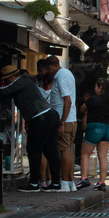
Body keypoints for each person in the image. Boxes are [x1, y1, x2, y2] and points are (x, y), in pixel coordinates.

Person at [0, 65, 61, 192]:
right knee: (50, 150)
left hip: (39, 117)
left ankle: (34, 183)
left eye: (8, 79)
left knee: (33, 149)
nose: (7, 82)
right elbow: (5, 95)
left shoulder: (22, 81)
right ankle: (56, 183)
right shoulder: (25, 82)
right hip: (50, 115)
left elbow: (5, 91)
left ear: (13, 77)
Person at [46, 55, 78, 192]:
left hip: (65, 120)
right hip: (71, 119)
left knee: (64, 151)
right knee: (68, 150)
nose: (48, 72)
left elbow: (68, 100)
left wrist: (61, 122)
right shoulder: (67, 73)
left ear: (55, 66)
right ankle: (70, 182)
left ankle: (64, 182)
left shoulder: (61, 77)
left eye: (48, 68)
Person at [79, 77, 109, 191]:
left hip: (94, 127)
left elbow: (82, 109)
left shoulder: (93, 99)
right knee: (103, 157)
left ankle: (84, 179)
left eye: (96, 86)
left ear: (100, 88)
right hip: (107, 129)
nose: (94, 89)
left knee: (85, 153)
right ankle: (101, 182)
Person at [36, 59, 63, 187]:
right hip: (53, 120)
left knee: (42, 151)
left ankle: (41, 180)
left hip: (40, 120)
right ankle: (52, 179)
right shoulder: (54, 88)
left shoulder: (37, 89)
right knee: (51, 150)